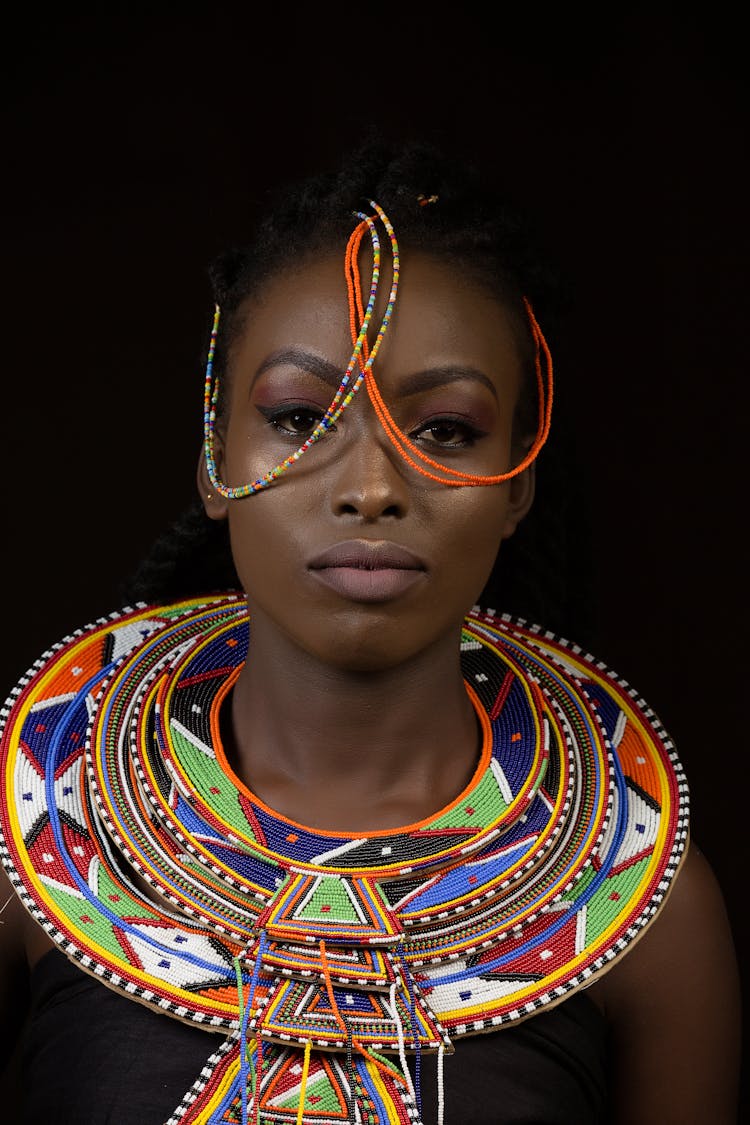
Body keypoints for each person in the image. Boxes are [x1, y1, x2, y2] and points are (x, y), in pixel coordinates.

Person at [0, 136, 741, 1125]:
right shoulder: (34, 840)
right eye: (303, 419)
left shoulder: (653, 914)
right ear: (217, 461)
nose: (371, 487)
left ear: (518, 485)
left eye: (445, 431)